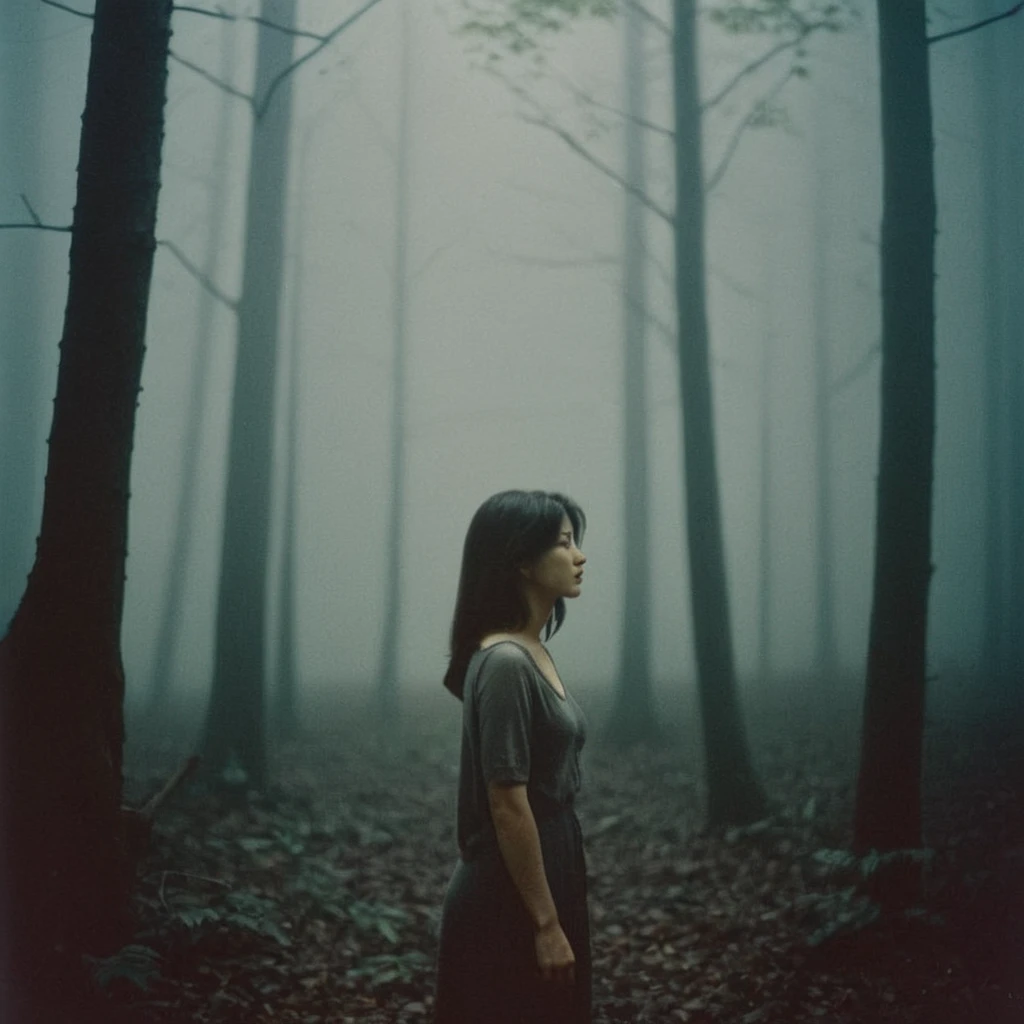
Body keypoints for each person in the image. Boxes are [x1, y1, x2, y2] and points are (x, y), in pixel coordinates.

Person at [434, 489, 591, 1024]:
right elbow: (507, 803)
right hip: (509, 892)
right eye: (565, 543)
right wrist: (545, 924)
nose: (580, 556)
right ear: (522, 560)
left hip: (548, 867)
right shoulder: (504, 662)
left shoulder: (531, 651)